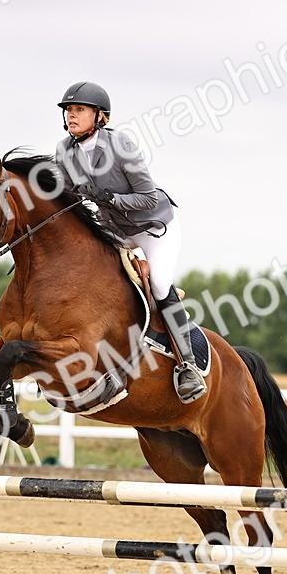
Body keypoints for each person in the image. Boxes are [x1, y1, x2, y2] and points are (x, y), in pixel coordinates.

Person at [52, 81, 206, 403]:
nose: (71, 115)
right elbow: (66, 198)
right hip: (116, 232)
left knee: (161, 283)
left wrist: (112, 199)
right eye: (68, 110)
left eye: (79, 109)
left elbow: (148, 198)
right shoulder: (64, 150)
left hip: (152, 228)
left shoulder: (120, 145)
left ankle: (188, 365)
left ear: (100, 116)